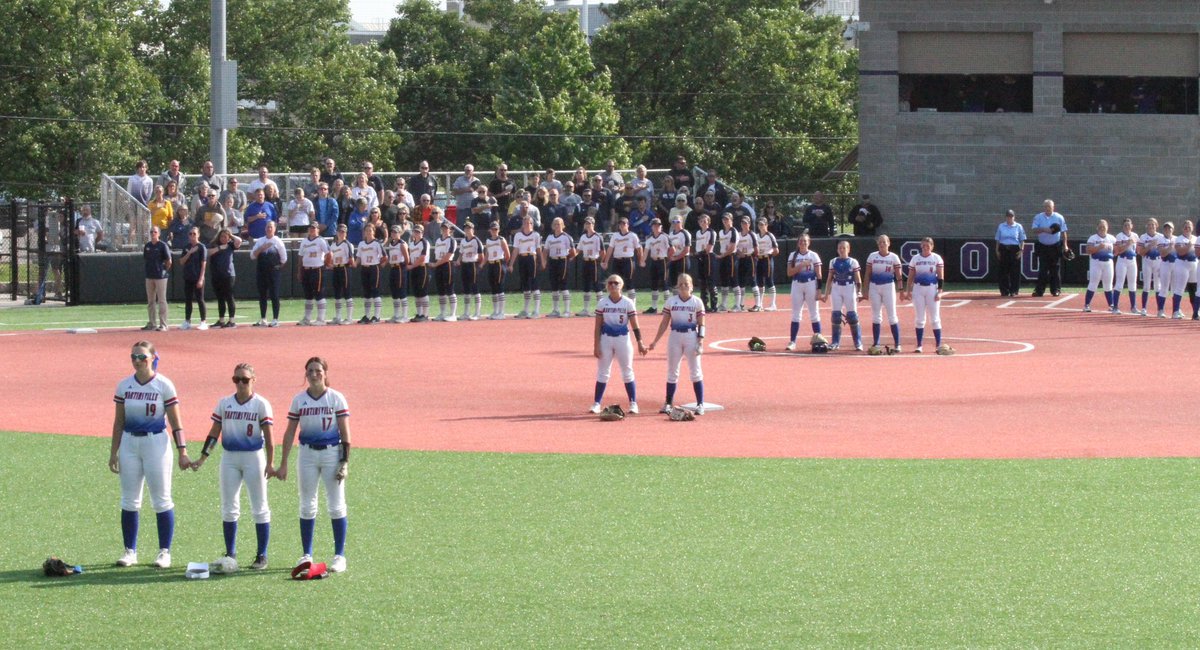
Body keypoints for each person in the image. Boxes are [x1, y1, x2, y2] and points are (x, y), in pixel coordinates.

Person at [110, 340, 189, 568]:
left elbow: (176, 422)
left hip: (156, 443)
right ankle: (130, 551)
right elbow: (119, 421)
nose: (137, 361)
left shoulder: (164, 385)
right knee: (129, 499)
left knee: (161, 499)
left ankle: (164, 551)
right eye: (133, 357)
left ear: (153, 358)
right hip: (129, 443)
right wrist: (113, 451)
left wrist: (182, 451)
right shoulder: (124, 386)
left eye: (142, 357)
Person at [190, 363, 273, 571]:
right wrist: (202, 458)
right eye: (237, 379)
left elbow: (270, 438)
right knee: (228, 506)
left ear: (254, 380)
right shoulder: (225, 403)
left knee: (260, 507)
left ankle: (261, 555)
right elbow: (214, 432)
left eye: (245, 379)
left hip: (254, 457)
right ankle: (230, 553)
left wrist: (271, 463)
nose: (241, 383)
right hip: (229, 458)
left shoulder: (261, 404)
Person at [274, 356, 351, 574]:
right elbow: (290, 432)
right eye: (310, 371)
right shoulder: (299, 400)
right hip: (307, 453)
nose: (314, 374)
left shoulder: (336, 398)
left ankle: (339, 555)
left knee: (336, 504)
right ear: (305, 374)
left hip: (331, 453)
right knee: (307, 504)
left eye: (318, 370)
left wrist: (344, 462)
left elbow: (345, 433)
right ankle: (306, 553)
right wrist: (283, 463)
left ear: (325, 373)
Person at [647, 273, 706, 415]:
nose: (683, 286)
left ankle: (700, 404)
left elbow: (702, 323)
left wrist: (701, 341)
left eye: (686, 283)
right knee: (672, 371)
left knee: (695, 371)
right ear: (676, 286)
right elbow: (664, 323)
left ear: (692, 286)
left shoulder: (697, 302)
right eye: (680, 284)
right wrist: (655, 341)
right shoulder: (671, 302)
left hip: (691, 336)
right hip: (675, 337)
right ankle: (668, 403)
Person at [590, 274, 648, 415]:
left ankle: (633, 403)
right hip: (606, 338)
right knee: (603, 372)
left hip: (623, 338)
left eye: (616, 283)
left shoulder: (627, 302)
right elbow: (597, 326)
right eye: (610, 283)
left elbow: (635, 325)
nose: (613, 285)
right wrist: (596, 345)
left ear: (621, 285)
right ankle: (597, 403)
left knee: (627, 371)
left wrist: (640, 342)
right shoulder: (602, 303)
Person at [902, 237, 947, 353]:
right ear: (921, 247)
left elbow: (941, 276)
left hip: (932, 288)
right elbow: (911, 276)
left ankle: (938, 345)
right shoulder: (916, 258)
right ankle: (919, 345)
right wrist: (908, 291)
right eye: (923, 246)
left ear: (932, 246)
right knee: (920, 318)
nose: (925, 248)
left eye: (928, 246)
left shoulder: (936, 258)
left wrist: (940, 291)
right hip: (918, 288)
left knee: (935, 318)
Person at [822, 239, 863, 351]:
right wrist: (826, 293)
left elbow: (858, 279)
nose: (842, 250)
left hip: (849, 288)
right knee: (836, 316)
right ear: (837, 249)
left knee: (852, 316)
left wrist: (859, 291)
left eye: (844, 248)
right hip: (836, 288)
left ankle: (858, 342)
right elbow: (829, 278)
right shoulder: (833, 261)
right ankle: (835, 342)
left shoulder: (853, 262)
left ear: (848, 249)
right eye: (840, 248)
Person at [784, 234, 823, 351]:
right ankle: (792, 341)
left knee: (814, 313)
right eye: (801, 241)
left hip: (811, 283)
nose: (803, 243)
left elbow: (819, 274)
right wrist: (801, 265)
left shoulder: (813, 255)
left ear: (809, 242)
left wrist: (819, 290)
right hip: (797, 284)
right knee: (796, 314)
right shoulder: (793, 255)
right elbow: (789, 273)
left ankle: (819, 340)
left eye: (805, 241)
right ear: (798, 243)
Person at [864, 234, 903, 350]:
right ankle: (876, 343)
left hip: (888, 286)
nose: (882, 244)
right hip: (874, 287)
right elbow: (867, 274)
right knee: (876, 316)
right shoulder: (872, 256)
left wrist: (901, 290)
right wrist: (865, 290)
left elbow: (899, 276)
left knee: (892, 315)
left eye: (884, 242)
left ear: (888, 243)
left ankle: (897, 343)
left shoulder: (894, 258)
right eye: (880, 242)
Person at [250, 220, 286, 327]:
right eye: (267, 227)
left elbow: (284, 259)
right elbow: (252, 256)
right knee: (262, 295)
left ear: (274, 229)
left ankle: (275, 319)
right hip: (261, 271)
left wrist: (277, 268)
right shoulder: (260, 241)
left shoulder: (278, 241)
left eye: (271, 227)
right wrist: (262, 248)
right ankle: (263, 318)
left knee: (274, 295)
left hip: (274, 272)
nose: (269, 229)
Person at [296, 222, 332, 326]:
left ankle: (321, 319)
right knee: (308, 295)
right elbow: (300, 256)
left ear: (318, 230)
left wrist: (326, 263)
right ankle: (307, 318)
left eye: (314, 228)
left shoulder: (321, 240)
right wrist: (299, 271)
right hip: (306, 269)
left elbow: (329, 253)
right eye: (310, 228)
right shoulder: (304, 241)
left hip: (317, 269)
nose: (312, 230)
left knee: (319, 293)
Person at [1031, 199, 1068, 297]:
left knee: (1055, 269)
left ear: (1053, 207)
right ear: (1044, 207)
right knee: (1043, 269)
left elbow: (1064, 232)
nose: (1048, 208)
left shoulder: (1059, 217)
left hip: (1055, 246)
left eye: (1050, 206)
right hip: (1043, 246)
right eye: (1046, 206)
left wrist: (1065, 245)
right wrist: (1044, 229)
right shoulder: (1038, 217)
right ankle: (1039, 290)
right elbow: (1034, 230)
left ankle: (1056, 289)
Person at [602, 217, 642, 305]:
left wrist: (641, 259)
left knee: (629, 282)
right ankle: (617, 302)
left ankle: (632, 305)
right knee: (615, 281)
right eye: (620, 224)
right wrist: (606, 261)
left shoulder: (632, 235)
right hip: (617, 260)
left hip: (628, 260)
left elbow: (639, 248)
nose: (622, 225)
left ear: (628, 225)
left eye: (624, 224)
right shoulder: (615, 235)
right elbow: (610, 249)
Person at [510, 215, 543, 318]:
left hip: (531, 258)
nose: (527, 224)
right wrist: (511, 263)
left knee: (533, 282)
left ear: (532, 224)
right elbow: (515, 250)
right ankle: (526, 310)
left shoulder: (536, 235)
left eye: (529, 223)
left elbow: (538, 250)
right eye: (525, 223)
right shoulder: (518, 235)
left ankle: (536, 311)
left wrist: (542, 261)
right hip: (522, 258)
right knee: (525, 284)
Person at [541, 217, 576, 318]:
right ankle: (555, 310)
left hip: (562, 260)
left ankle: (567, 310)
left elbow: (573, 252)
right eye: (555, 224)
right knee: (554, 286)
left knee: (563, 284)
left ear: (563, 225)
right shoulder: (550, 237)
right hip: (552, 260)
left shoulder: (566, 237)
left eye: (559, 224)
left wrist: (567, 258)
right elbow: (545, 251)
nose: (557, 226)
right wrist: (544, 262)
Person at [208, 228, 242, 328]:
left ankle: (232, 321)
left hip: (228, 275)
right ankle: (221, 320)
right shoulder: (214, 245)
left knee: (229, 297)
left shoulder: (231, 245)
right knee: (220, 298)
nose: (223, 238)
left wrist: (231, 236)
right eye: (222, 236)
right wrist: (219, 248)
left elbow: (239, 241)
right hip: (216, 275)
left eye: (226, 237)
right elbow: (207, 253)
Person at [1083, 219, 1116, 313]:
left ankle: (1111, 305)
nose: (1102, 228)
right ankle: (1087, 305)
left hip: (1108, 262)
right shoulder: (1093, 238)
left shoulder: (1111, 238)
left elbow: (1117, 249)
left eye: (1104, 227)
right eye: (1100, 227)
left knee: (1108, 284)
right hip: (1096, 262)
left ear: (1107, 227)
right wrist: (1098, 248)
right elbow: (1088, 250)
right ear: (1097, 227)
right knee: (1093, 283)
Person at [178, 227, 209, 331]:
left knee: (200, 299)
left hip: (197, 277)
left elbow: (203, 264)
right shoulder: (186, 247)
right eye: (190, 234)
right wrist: (190, 252)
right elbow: (181, 262)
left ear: (198, 235)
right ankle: (187, 321)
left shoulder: (202, 247)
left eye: (194, 234)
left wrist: (201, 279)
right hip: (188, 277)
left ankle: (203, 322)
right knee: (188, 300)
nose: (192, 236)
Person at [142, 226, 172, 331]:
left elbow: (169, 261)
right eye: (151, 232)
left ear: (159, 234)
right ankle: (152, 323)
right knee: (150, 301)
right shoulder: (147, 246)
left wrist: (163, 270)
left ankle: (163, 324)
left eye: (155, 232)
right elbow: (146, 259)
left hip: (161, 277)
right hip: (149, 276)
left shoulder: (163, 245)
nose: (153, 234)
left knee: (162, 300)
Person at [356, 220, 385, 323]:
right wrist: (355, 264)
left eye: (370, 230)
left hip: (374, 268)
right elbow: (358, 257)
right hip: (364, 268)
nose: (368, 232)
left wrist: (379, 265)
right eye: (366, 230)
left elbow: (384, 257)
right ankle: (367, 316)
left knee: (375, 291)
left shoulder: (377, 243)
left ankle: (377, 316)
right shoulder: (361, 244)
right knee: (367, 292)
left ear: (374, 231)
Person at [328, 224, 357, 324]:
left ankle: (349, 318)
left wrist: (349, 264)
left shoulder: (347, 244)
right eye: (340, 231)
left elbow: (351, 259)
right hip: (336, 268)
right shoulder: (333, 244)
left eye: (344, 232)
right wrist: (330, 264)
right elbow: (330, 257)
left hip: (344, 268)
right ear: (337, 232)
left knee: (347, 292)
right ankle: (338, 316)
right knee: (337, 293)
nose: (342, 233)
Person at [576, 216, 604, 317]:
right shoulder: (583, 236)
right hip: (585, 261)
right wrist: (570, 256)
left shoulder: (597, 236)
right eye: (586, 223)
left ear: (593, 224)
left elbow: (602, 251)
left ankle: (600, 309)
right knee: (586, 285)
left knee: (596, 285)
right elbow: (578, 249)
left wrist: (602, 261)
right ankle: (586, 309)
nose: (587, 225)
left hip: (594, 262)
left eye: (589, 223)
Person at [431, 221, 459, 321]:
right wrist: (435, 263)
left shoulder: (451, 240)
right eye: (443, 228)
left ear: (450, 230)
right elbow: (436, 254)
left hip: (447, 265)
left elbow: (448, 256)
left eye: (446, 228)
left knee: (449, 289)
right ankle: (442, 313)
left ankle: (453, 314)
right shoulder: (438, 240)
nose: (444, 230)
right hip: (439, 265)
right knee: (441, 290)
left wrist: (436, 264)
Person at [994, 209, 1026, 297]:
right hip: (1004, 248)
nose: (1009, 218)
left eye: (1011, 216)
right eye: (1008, 216)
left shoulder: (1018, 226)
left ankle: (1014, 290)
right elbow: (998, 239)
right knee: (1003, 271)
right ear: (1006, 217)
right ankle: (1004, 290)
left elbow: (1022, 239)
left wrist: (1021, 250)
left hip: (1014, 249)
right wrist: (997, 250)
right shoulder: (1001, 226)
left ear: (1014, 217)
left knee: (1015, 271)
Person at [641, 219, 670, 314]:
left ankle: (667, 307)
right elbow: (646, 251)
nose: (657, 227)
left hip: (663, 260)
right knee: (654, 284)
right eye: (655, 225)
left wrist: (669, 258)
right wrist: (643, 260)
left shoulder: (665, 236)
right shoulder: (649, 238)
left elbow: (671, 249)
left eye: (659, 225)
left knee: (665, 283)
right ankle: (654, 307)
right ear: (652, 227)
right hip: (654, 261)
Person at [456, 221, 484, 320]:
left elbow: (481, 256)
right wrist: (458, 260)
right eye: (466, 228)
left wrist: (478, 264)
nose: (467, 230)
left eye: (469, 228)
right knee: (466, 289)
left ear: (473, 229)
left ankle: (477, 313)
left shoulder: (476, 240)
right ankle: (466, 313)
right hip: (465, 265)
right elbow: (461, 253)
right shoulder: (463, 241)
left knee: (475, 288)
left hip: (472, 265)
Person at [1170, 220, 1197, 319]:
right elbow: (1180, 252)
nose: (1187, 228)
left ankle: (1196, 311)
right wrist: (1188, 246)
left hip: (1194, 264)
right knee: (1180, 288)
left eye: (1189, 227)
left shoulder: (1196, 238)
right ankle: (1176, 311)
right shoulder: (1179, 239)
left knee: (1193, 288)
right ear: (1182, 228)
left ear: (1192, 228)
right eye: (1185, 227)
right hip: (1182, 264)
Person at [484, 221, 511, 319]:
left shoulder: (501, 239)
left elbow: (507, 254)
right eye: (492, 229)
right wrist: (483, 264)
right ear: (489, 230)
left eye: (496, 229)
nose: (494, 231)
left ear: (498, 230)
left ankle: (501, 312)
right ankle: (495, 311)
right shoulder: (488, 240)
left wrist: (504, 264)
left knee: (499, 287)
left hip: (499, 263)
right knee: (493, 288)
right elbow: (487, 254)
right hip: (491, 264)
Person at [753, 217, 780, 311]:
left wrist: (768, 253)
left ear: (766, 225)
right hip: (759, 259)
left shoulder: (769, 235)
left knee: (769, 280)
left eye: (762, 224)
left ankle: (773, 304)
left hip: (767, 259)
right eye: (759, 224)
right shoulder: (756, 236)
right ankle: (759, 304)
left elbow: (776, 250)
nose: (761, 226)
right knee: (760, 281)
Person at [1113, 218, 1139, 314]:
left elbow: (1138, 249)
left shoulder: (1135, 235)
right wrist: (1128, 243)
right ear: (1123, 227)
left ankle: (1133, 307)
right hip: (1122, 260)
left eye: (1129, 225)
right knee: (1119, 283)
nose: (1127, 227)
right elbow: (1118, 251)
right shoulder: (1119, 236)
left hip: (1132, 261)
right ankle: (1115, 307)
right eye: (1125, 225)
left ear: (1132, 226)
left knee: (1132, 284)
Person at [1137, 218, 1162, 316]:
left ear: (1156, 225)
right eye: (1149, 224)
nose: (1151, 226)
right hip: (1147, 261)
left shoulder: (1160, 237)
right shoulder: (1143, 237)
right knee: (1146, 285)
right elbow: (1140, 252)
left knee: (1158, 286)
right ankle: (1144, 308)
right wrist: (1149, 246)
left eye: (1153, 224)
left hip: (1158, 261)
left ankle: (1160, 309)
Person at [406, 223, 431, 322]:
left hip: (422, 268)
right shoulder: (411, 244)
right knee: (416, 292)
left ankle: (425, 314)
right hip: (414, 269)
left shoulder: (424, 242)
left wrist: (412, 265)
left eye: (419, 232)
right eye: (415, 231)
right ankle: (419, 313)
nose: (416, 233)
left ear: (422, 233)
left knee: (423, 291)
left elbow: (423, 257)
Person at [714, 213, 739, 312]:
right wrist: (722, 256)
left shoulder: (733, 231)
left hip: (731, 257)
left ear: (731, 220)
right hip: (723, 257)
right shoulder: (721, 232)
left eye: (727, 219)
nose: (725, 221)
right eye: (724, 219)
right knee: (724, 281)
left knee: (734, 280)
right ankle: (724, 304)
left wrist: (722, 255)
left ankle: (737, 305)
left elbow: (732, 247)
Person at [692, 214, 717, 312]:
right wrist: (696, 254)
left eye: (705, 221)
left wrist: (700, 253)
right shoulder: (698, 232)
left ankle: (714, 305)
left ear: (708, 222)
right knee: (702, 282)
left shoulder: (711, 232)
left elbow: (709, 246)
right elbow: (698, 245)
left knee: (710, 280)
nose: (703, 223)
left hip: (708, 256)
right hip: (700, 257)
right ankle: (704, 305)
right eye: (701, 221)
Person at [733, 217, 757, 312]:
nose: (744, 225)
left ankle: (758, 304)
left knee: (752, 280)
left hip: (750, 258)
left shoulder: (752, 234)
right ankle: (741, 304)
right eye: (742, 223)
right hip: (741, 259)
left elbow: (756, 248)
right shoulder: (738, 234)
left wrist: (752, 256)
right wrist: (739, 253)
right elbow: (736, 247)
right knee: (741, 281)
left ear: (749, 224)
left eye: (746, 223)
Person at [1153, 221, 1176, 318]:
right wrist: (1170, 247)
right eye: (1166, 228)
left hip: (1175, 265)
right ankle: (1160, 310)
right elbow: (1162, 254)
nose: (1167, 230)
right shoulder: (1160, 239)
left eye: (1169, 228)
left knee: (1175, 289)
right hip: (1165, 264)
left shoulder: (1176, 239)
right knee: (1164, 288)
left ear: (1172, 229)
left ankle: (1176, 310)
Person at [666, 215, 692, 294]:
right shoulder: (671, 234)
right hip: (673, 259)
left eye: (678, 221)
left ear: (681, 222)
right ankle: (676, 300)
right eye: (674, 222)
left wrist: (676, 257)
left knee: (683, 280)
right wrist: (670, 258)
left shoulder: (684, 233)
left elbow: (687, 249)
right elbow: (669, 248)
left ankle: (686, 298)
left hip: (682, 259)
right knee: (674, 281)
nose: (675, 223)